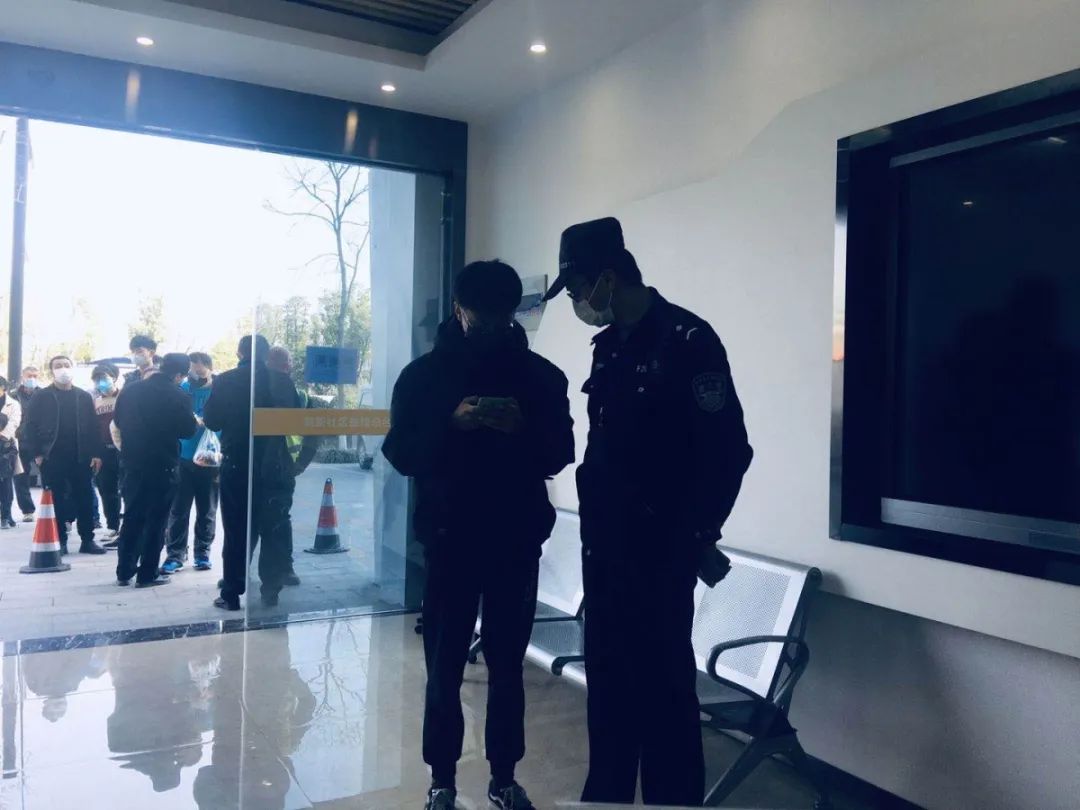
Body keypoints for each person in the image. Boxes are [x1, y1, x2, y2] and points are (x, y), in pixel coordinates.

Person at [542, 217, 753, 807]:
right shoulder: (610, 346)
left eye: (579, 289)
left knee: (664, 697)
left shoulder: (688, 340)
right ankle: (606, 797)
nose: (578, 303)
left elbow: (729, 451)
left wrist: (696, 534)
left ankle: (672, 802)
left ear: (608, 279)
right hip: (605, 550)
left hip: (659, 554)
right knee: (608, 689)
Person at [383, 260, 575, 810]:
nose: (488, 327)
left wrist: (522, 429)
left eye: (499, 317)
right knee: (444, 664)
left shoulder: (541, 377)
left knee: (508, 665)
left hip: (515, 539)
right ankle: (441, 779)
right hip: (450, 539)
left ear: (512, 313)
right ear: (458, 309)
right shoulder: (423, 377)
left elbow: (560, 453)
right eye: (478, 315)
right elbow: (400, 454)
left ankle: (504, 777)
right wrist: (450, 424)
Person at [203, 335, 300, 611]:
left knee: (236, 530)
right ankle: (271, 591)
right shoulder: (282, 381)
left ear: (239, 353)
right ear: (267, 355)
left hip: (238, 466)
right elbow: (295, 421)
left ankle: (231, 593)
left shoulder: (226, 380)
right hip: (274, 467)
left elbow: (212, 420)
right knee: (273, 529)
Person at [113, 353, 199, 588]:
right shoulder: (179, 395)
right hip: (163, 464)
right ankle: (147, 573)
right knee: (157, 520)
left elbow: (118, 421)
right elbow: (187, 430)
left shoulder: (130, 390)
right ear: (179, 374)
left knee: (132, 515)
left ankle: (124, 570)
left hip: (132, 463)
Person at [22, 356, 107, 555]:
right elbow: (30, 426)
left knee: (85, 498)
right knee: (56, 500)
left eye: (66, 365)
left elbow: (93, 427)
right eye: (58, 366)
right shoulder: (42, 396)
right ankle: (60, 540)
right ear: (51, 371)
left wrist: (96, 453)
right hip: (52, 456)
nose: (63, 369)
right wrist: (37, 453)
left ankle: (88, 539)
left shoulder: (83, 396)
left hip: (81, 456)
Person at [162, 352, 221, 574]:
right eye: (192, 369)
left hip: (210, 460)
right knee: (178, 510)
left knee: (207, 510)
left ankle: (202, 553)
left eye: (200, 367)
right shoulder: (181, 390)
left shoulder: (219, 391)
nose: (196, 372)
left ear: (209, 368)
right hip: (183, 458)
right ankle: (175, 555)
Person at [266, 345, 317, 587]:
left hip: (277, 467)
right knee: (278, 520)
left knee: (266, 520)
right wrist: (302, 463)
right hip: (281, 468)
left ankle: (279, 569)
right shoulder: (258, 391)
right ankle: (283, 570)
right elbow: (313, 436)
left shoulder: (301, 396)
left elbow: (312, 432)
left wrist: (300, 464)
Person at [91, 363, 123, 545]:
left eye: (104, 378)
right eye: (97, 379)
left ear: (114, 378)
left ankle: (129, 528)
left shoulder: (124, 397)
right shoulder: (95, 402)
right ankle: (112, 526)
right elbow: (93, 429)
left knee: (127, 489)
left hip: (123, 449)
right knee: (106, 490)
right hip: (103, 451)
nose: (100, 382)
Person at [13, 366, 40, 523]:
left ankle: (55, 508)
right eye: (29, 375)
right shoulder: (13, 395)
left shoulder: (44, 394)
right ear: (22, 377)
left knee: (50, 476)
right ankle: (27, 510)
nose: (32, 378)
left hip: (40, 441)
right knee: (21, 477)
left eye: (35, 376)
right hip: (20, 441)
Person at [0, 383, 22, 529]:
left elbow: (14, 422)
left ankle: (6, 516)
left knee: (6, 482)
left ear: (3, 388)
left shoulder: (13, 404)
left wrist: (2, 435)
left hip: (6, 446)